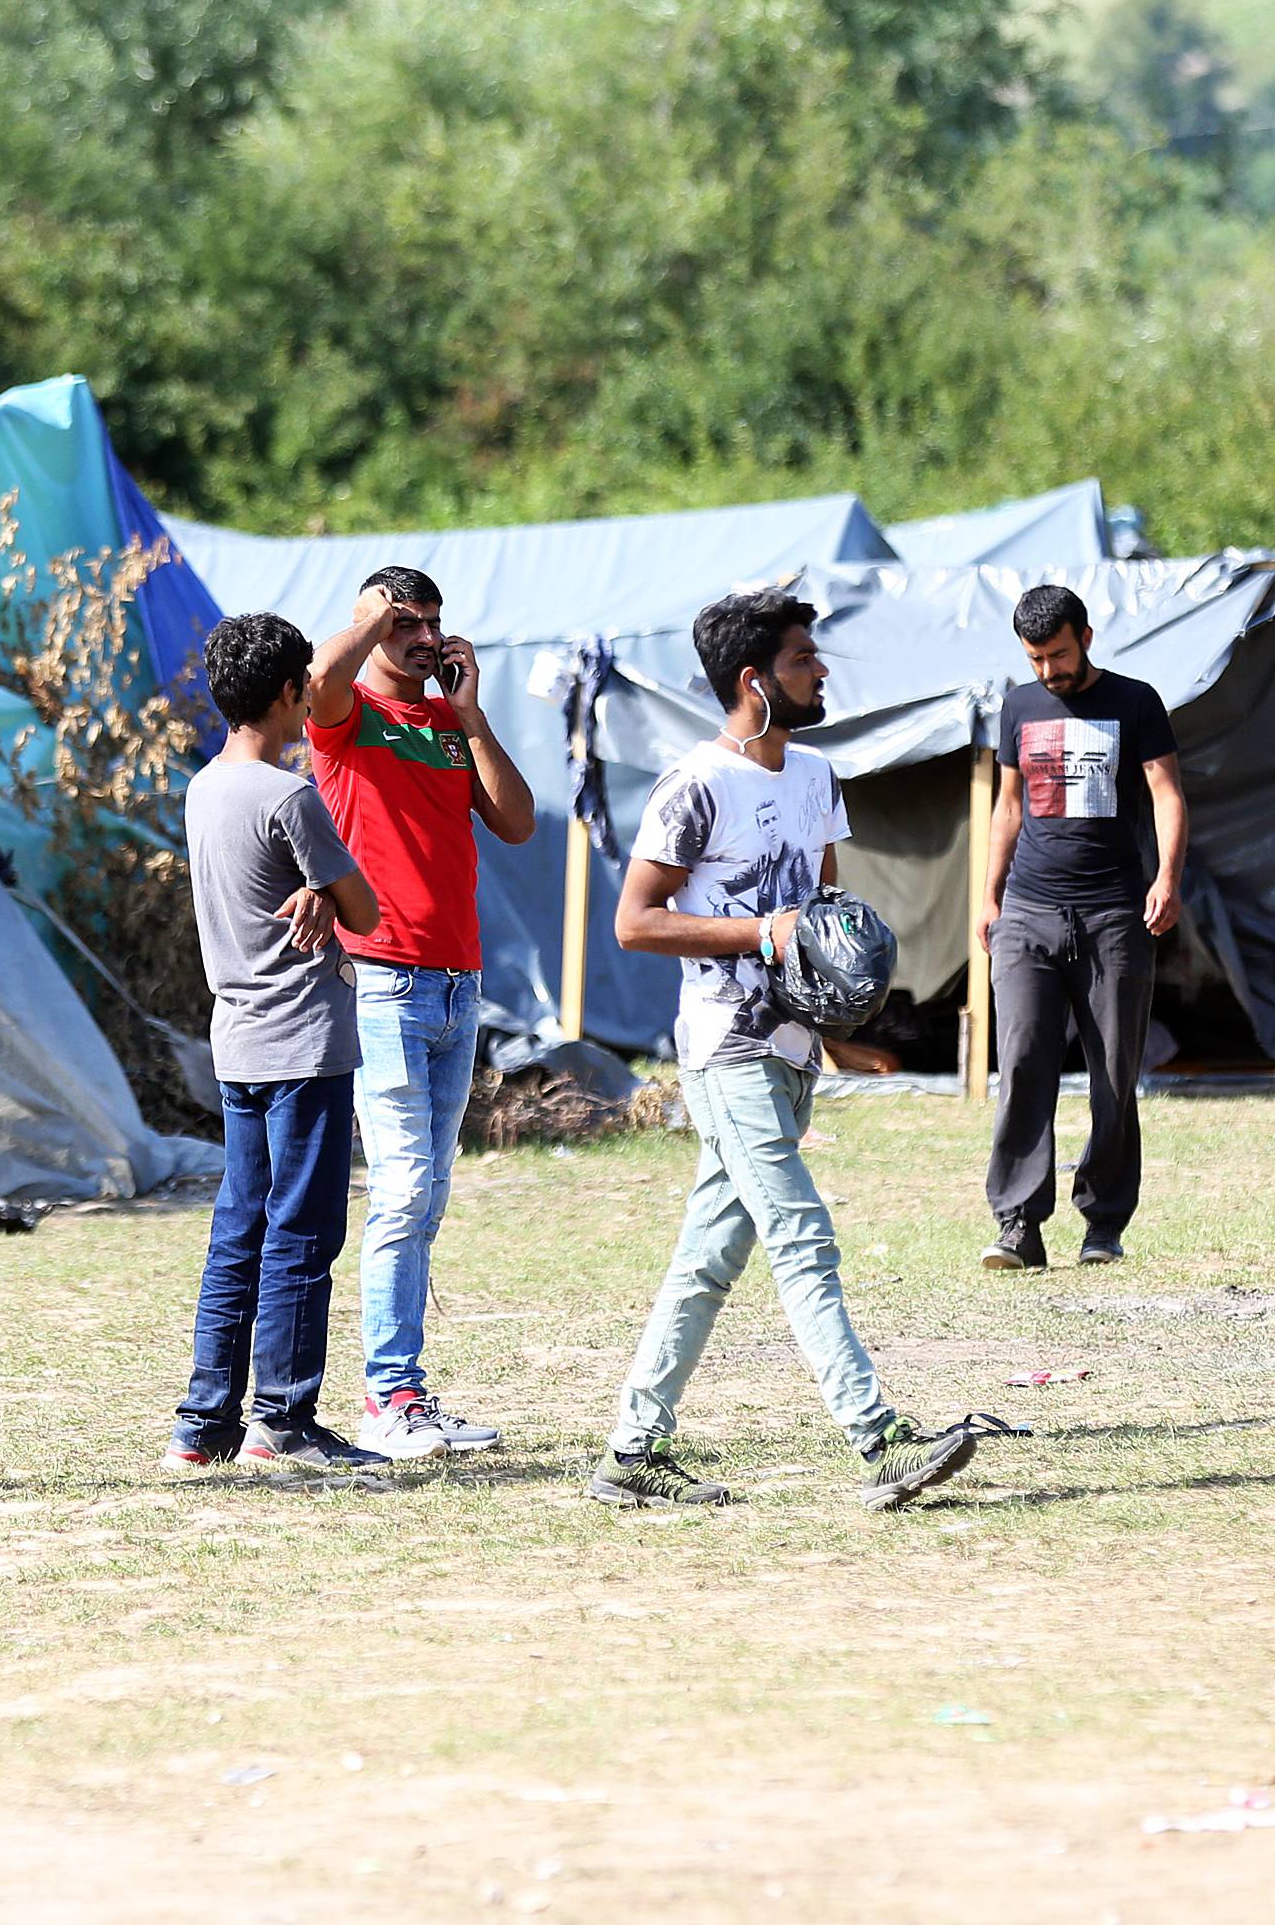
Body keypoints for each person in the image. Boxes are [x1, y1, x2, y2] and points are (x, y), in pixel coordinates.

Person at [590, 588, 981, 1513]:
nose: (822, 670)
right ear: (753, 681)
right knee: (800, 1232)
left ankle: (630, 1452)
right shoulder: (694, 785)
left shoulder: (813, 775)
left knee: (708, 1259)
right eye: (805, 657)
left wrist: (842, 1016)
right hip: (726, 1046)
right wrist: (759, 932)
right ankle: (879, 1438)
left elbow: (826, 914)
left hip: (795, 1047)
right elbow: (634, 921)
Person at [307, 569, 536, 1461]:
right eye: (406, 622)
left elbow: (515, 821)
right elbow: (322, 682)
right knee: (402, 1193)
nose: (423, 636)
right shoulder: (346, 716)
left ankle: (404, 1391)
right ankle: (387, 1397)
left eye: (433, 622)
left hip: (456, 984)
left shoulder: (445, 726)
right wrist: (370, 623)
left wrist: (470, 709)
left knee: (428, 1196)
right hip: (383, 982)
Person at [163, 612, 390, 1475]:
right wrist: (332, 897)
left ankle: (203, 1422)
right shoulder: (288, 795)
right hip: (305, 1039)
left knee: (239, 1228)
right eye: (307, 685)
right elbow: (367, 912)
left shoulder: (204, 788)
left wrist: (315, 895)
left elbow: (268, 891)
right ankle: (283, 1420)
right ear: (291, 690)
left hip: (239, 1039)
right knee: (302, 1231)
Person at [976, 584, 1186, 1270]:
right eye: (1035, 658)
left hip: (1114, 915)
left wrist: (1167, 879)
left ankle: (1103, 1222)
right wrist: (989, 895)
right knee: (1024, 1063)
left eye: (1057, 654)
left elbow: (1166, 793)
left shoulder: (1135, 701)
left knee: (1114, 1073)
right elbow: (1007, 806)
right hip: (1029, 913)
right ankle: (1018, 1225)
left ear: (1086, 636)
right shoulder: (1018, 705)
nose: (1047, 671)